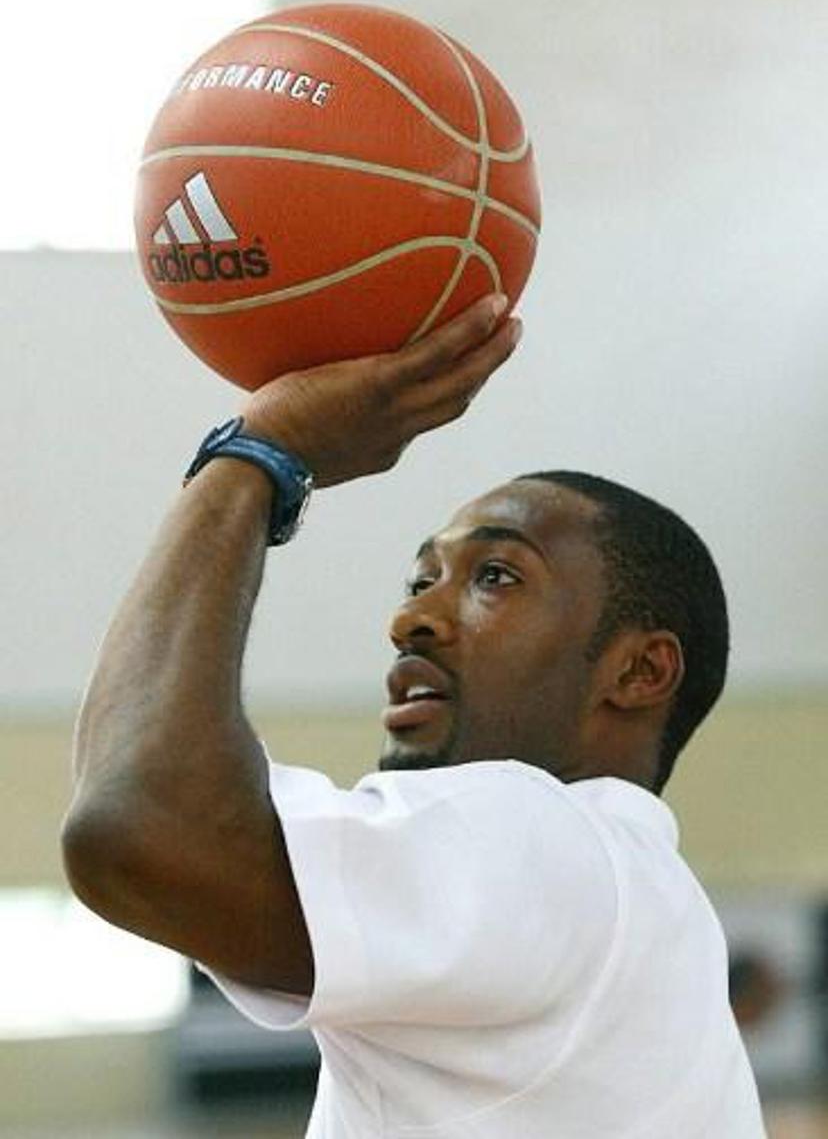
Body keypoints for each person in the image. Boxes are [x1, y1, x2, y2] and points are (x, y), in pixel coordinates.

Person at [62, 294, 766, 1136]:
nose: (412, 619)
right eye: (420, 579)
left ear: (639, 671)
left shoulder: (546, 843)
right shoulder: (641, 907)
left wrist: (259, 454)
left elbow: (138, 826)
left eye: (495, 577)